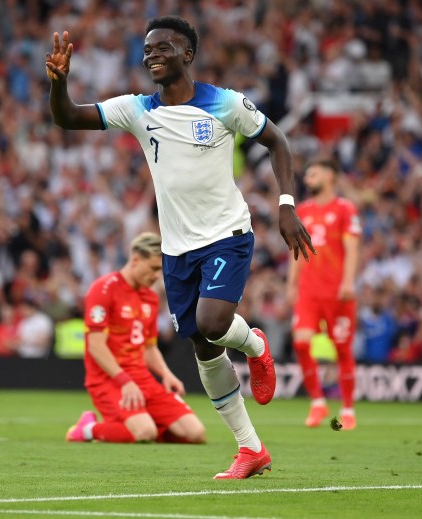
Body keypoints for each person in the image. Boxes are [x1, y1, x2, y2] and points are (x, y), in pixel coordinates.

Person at [45, 16, 314, 479]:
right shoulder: (137, 109)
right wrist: (59, 82)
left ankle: (253, 344)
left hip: (227, 234)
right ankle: (251, 450)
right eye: (147, 49)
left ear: (187, 55)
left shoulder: (224, 103)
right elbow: (68, 116)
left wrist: (286, 203)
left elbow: (277, 140)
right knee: (204, 350)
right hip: (176, 250)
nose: (152, 54)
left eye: (163, 47)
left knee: (213, 324)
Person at [66, 233, 206, 445]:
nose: (157, 275)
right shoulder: (103, 289)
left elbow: (149, 348)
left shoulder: (150, 297)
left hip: (142, 378)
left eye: (161, 269)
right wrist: (124, 382)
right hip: (109, 379)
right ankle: (86, 429)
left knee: (194, 434)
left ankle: (137, 424)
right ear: (135, 260)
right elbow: (95, 345)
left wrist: (166, 374)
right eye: (153, 268)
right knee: (144, 433)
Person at [285, 159, 361, 429]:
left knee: (341, 348)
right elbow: (296, 251)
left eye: (313, 172)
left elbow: (352, 249)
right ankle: (318, 403)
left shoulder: (344, 209)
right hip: (309, 291)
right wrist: (291, 284)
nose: (308, 178)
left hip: (337, 291)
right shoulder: (302, 211)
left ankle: (348, 409)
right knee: (302, 343)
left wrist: (349, 281)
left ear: (330, 175)